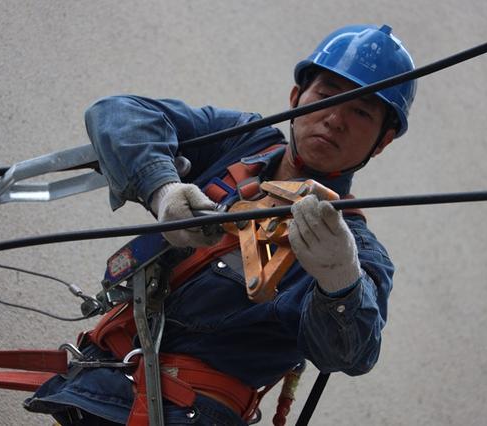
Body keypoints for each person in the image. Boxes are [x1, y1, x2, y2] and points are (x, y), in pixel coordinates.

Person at [24, 24, 417, 425]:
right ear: (296, 96)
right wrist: (163, 189)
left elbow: (353, 352)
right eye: (326, 96)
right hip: (96, 386)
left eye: (361, 112)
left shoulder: (354, 250)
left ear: (382, 141)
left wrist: (339, 281)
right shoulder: (241, 141)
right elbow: (117, 114)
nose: (335, 118)